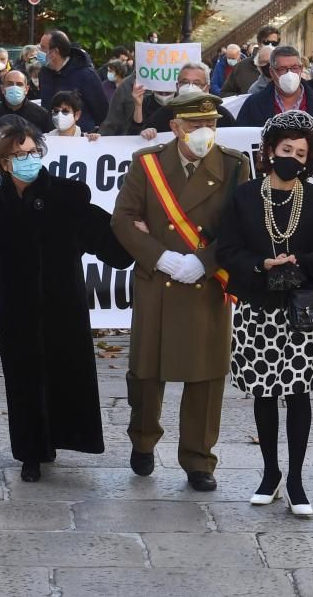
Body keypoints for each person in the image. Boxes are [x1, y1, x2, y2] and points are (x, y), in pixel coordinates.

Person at [0, 121, 133, 482]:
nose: (27, 159)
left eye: (33, 152)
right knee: (24, 380)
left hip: (63, 306)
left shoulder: (69, 196)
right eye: (18, 155)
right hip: (17, 308)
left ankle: (64, 438)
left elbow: (105, 235)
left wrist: (134, 237)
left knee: (66, 375)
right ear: (3, 163)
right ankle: (32, 453)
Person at [111, 92, 251, 492]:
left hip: (206, 283)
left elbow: (240, 227)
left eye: (210, 125)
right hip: (159, 281)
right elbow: (123, 220)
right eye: (194, 126)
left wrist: (204, 262)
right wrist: (161, 258)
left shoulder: (234, 164)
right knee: (147, 372)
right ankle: (142, 440)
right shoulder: (148, 164)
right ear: (175, 128)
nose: (203, 133)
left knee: (205, 375)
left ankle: (198, 458)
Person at [217, 111, 313, 516]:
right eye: (286, 149)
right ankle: (270, 473)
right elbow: (227, 251)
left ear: (310, 159)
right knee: (263, 392)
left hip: (299, 313)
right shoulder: (244, 197)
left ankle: (295, 479)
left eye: (301, 152)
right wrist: (261, 264)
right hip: (257, 308)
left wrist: (301, 261)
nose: (293, 157)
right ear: (270, 152)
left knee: (297, 391)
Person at [236, 46, 313, 127]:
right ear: (272, 71)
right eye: (282, 69)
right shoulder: (253, 105)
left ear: (301, 68)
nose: (290, 74)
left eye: (294, 68)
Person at [138, 62, 237, 139]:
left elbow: (237, 138)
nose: (190, 87)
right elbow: (135, 139)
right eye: (185, 82)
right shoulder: (163, 114)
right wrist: (147, 133)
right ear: (177, 86)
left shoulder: (220, 114)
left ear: (207, 88)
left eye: (197, 83)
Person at [38, 30, 108, 132]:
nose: (39, 51)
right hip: (53, 137)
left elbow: (101, 111)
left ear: (55, 52)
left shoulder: (86, 75)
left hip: (82, 139)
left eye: (43, 48)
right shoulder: (44, 73)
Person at [0, 70, 54, 134]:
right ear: (2, 88)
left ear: (26, 89)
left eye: (19, 84)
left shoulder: (42, 115)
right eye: (10, 84)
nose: (14, 87)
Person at [220, 26, 278, 97]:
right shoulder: (241, 67)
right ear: (259, 43)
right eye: (267, 42)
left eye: (274, 43)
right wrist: (244, 98)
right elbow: (225, 93)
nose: (270, 46)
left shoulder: (285, 67)